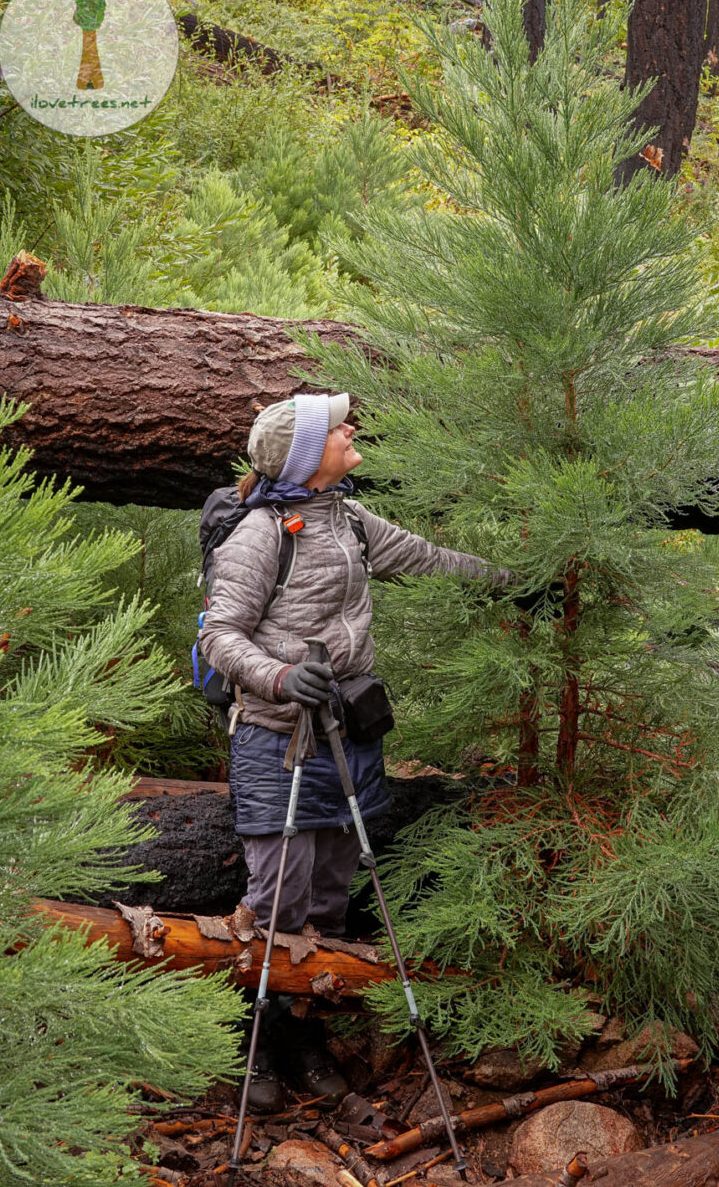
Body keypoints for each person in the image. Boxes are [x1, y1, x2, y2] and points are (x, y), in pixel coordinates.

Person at [199, 392, 502, 1111]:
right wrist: (279, 675)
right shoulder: (261, 535)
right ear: (307, 458)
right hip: (277, 737)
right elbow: (219, 634)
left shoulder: (349, 518)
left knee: (331, 893)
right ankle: (254, 1046)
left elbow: (427, 557)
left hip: (347, 733)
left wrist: (511, 582)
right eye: (337, 428)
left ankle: (302, 1032)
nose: (351, 430)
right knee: (277, 893)